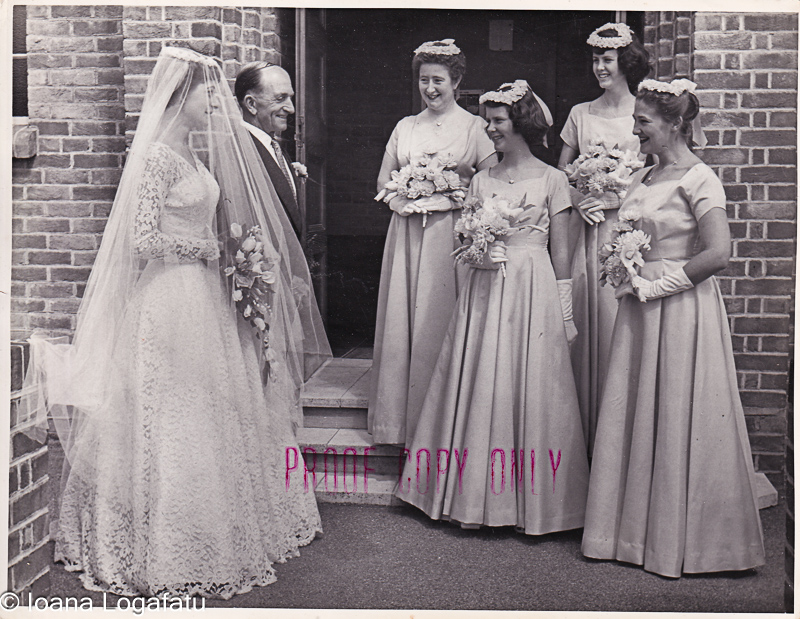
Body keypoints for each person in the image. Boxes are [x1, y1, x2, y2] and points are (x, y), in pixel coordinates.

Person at [20, 47, 331, 598]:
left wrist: (227, 256)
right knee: (171, 413)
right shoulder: (160, 157)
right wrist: (205, 248)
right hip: (168, 298)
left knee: (213, 410)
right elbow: (143, 240)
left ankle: (219, 526)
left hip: (202, 295)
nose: (217, 102)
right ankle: (160, 539)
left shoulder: (194, 155)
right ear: (179, 97)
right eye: (208, 93)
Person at [581, 78, 765, 577]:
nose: (635, 130)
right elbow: (631, 234)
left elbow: (719, 253)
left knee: (679, 411)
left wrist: (658, 287)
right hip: (638, 307)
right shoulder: (643, 176)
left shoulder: (700, 178)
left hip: (679, 306)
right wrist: (622, 266)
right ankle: (633, 535)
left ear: (674, 125)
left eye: (643, 122)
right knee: (637, 409)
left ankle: (683, 543)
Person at [397, 81, 589, 534]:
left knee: (530, 386)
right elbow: (464, 240)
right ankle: (468, 494)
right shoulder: (481, 180)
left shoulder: (552, 179)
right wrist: (479, 252)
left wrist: (564, 312)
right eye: (488, 121)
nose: (490, 128)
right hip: (485, 289)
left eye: (497, 121)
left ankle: (532, 506)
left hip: (532, 292)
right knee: (479, 381)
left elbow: (562, 254)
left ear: (520, 123)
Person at [368, 38, 496, 446]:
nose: (431, 89)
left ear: (457, 81)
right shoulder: (405, 127)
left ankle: (442, 424)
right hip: (407, 233)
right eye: (424, 80)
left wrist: (452, 191)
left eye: (438, 80)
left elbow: (490, 182)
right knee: (405, 320)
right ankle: (397, 424)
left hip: (450, 236)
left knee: (437, 320)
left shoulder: (475, 127)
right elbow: (382, 180)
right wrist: (409, 187)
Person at [557, 22, 651, 453]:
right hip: (588, 229)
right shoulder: (580, 113)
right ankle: (580, 437)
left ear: (625, 63)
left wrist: (625, 196)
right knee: (585, 316)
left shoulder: (644, 112)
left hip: (628, 231)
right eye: (595, 59)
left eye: (607, 59)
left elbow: (655, 174)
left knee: (619, 324)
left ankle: (619, 438)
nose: (599, 67)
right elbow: (560, 176)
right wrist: (578, 197)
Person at [235, 62, 304, 240]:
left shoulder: (274, 147)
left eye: (290, 98)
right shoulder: (237, 152)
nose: (291, 109)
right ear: (251, 104)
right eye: (280, 98)